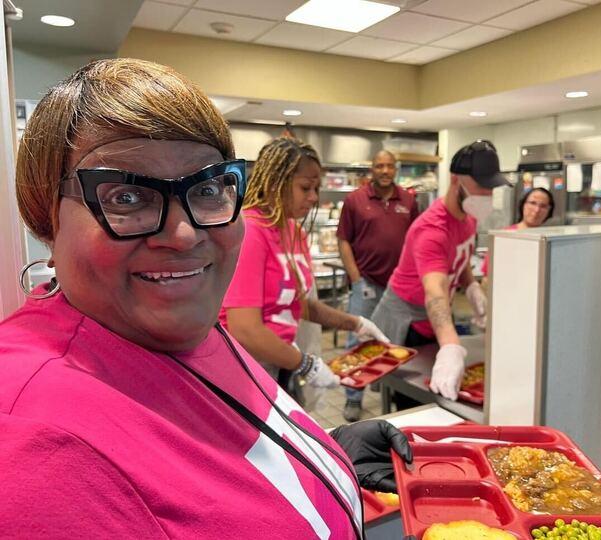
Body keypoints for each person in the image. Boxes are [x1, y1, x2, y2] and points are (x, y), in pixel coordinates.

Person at [0, 58, 411, 538]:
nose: (184, 233)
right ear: (42, 212)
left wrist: (320, 453)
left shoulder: (176, 325)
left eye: (209, 187)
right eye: (127, 197)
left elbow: (214, 450)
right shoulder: (35, 446)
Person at [219, 137, 389, 398]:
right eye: (305, 188)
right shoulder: (251, 230)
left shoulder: (293, 230)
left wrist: (356, 323)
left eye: (317, 189)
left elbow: (299, 303)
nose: (313, 198)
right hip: (243, 370)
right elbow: (245, 329)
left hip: (279, 359)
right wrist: (305, 364)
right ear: (276, 182)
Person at [371, 140, 509, 401]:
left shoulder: (468, 216)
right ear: (456, 180)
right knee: (412, 396)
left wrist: (471, 287)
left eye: (491, 188)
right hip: (406, 320)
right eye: (481, 187)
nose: (486, 195)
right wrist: (450, 346)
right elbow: (434, 292)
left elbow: (460, 255)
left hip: (433, 316)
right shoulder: (432, 230)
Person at [337, 149, 418, 421]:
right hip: (367, 284)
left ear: (396, 169)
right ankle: (353, 397)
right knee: (356, 340)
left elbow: (416, 240)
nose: (385, 170)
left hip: (399, 287)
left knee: (393, 340)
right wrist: (357, 279)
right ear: (371, 169)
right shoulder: (355, 200)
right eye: (379, 165)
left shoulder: (408, 199)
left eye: (389, 166)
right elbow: (344, 240)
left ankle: (387, 389)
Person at [479, 186, 555, 289]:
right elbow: (487, 278)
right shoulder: (504, 236)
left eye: (543, 206)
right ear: (523, 204)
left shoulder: (549, 240)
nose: (537, 210)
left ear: (549, 211)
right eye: (532, 203)